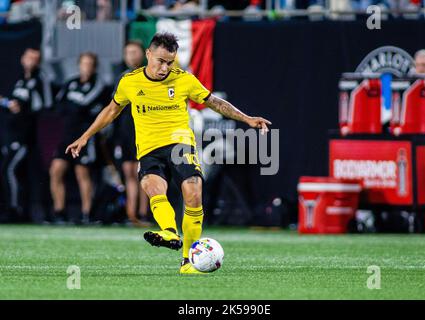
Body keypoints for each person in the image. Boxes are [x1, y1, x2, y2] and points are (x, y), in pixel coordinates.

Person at [65, 32, 271, 274]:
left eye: (170, 62)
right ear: (148, 54)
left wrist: (247, 119)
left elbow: (214, 102)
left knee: (193, 193)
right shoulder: (129, 82)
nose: (165, 67)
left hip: (179, 145)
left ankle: (187, 261)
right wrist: (85, 136)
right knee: (153, 188)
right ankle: (170, 232)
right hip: (149, 149)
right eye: (160, 61)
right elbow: (111, 110)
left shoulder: (184, 80)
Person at [49, 52, 108, 224]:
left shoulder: (99, 85)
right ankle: (59, 212)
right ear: (79, 65)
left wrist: (71, 106)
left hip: (84, 136)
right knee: (56, 170)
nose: (86, 67)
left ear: (94, 66)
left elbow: (83, 105)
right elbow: (58, 105)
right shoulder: (71, 83)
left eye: (90, 64)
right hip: (66, 135)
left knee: (82, 173)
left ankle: (86, 214)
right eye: (83, 63)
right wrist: (70, 107)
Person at [0, 48, 52, 222]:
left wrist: (26, 107)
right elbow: (9, 100)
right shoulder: (19, 79)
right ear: (23, 59)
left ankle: (14, 209)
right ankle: (18, 209)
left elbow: (46, 104)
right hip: (11, 132)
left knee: (9, 169)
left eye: (35, 58)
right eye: (29, 57)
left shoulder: (40, 78)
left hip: (25, 135)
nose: (31, 61)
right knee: (16, 172)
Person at [113, 40, 150, 227]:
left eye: (134, 52)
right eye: (127, 52)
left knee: (142, 172)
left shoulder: (148, 76)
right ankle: (131, 214)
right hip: (126, 130)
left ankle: (143, 214)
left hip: (143, 130)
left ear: (143, 54)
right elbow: (115, 108)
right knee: (128, 171)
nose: (131, 56)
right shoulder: (122, 77)